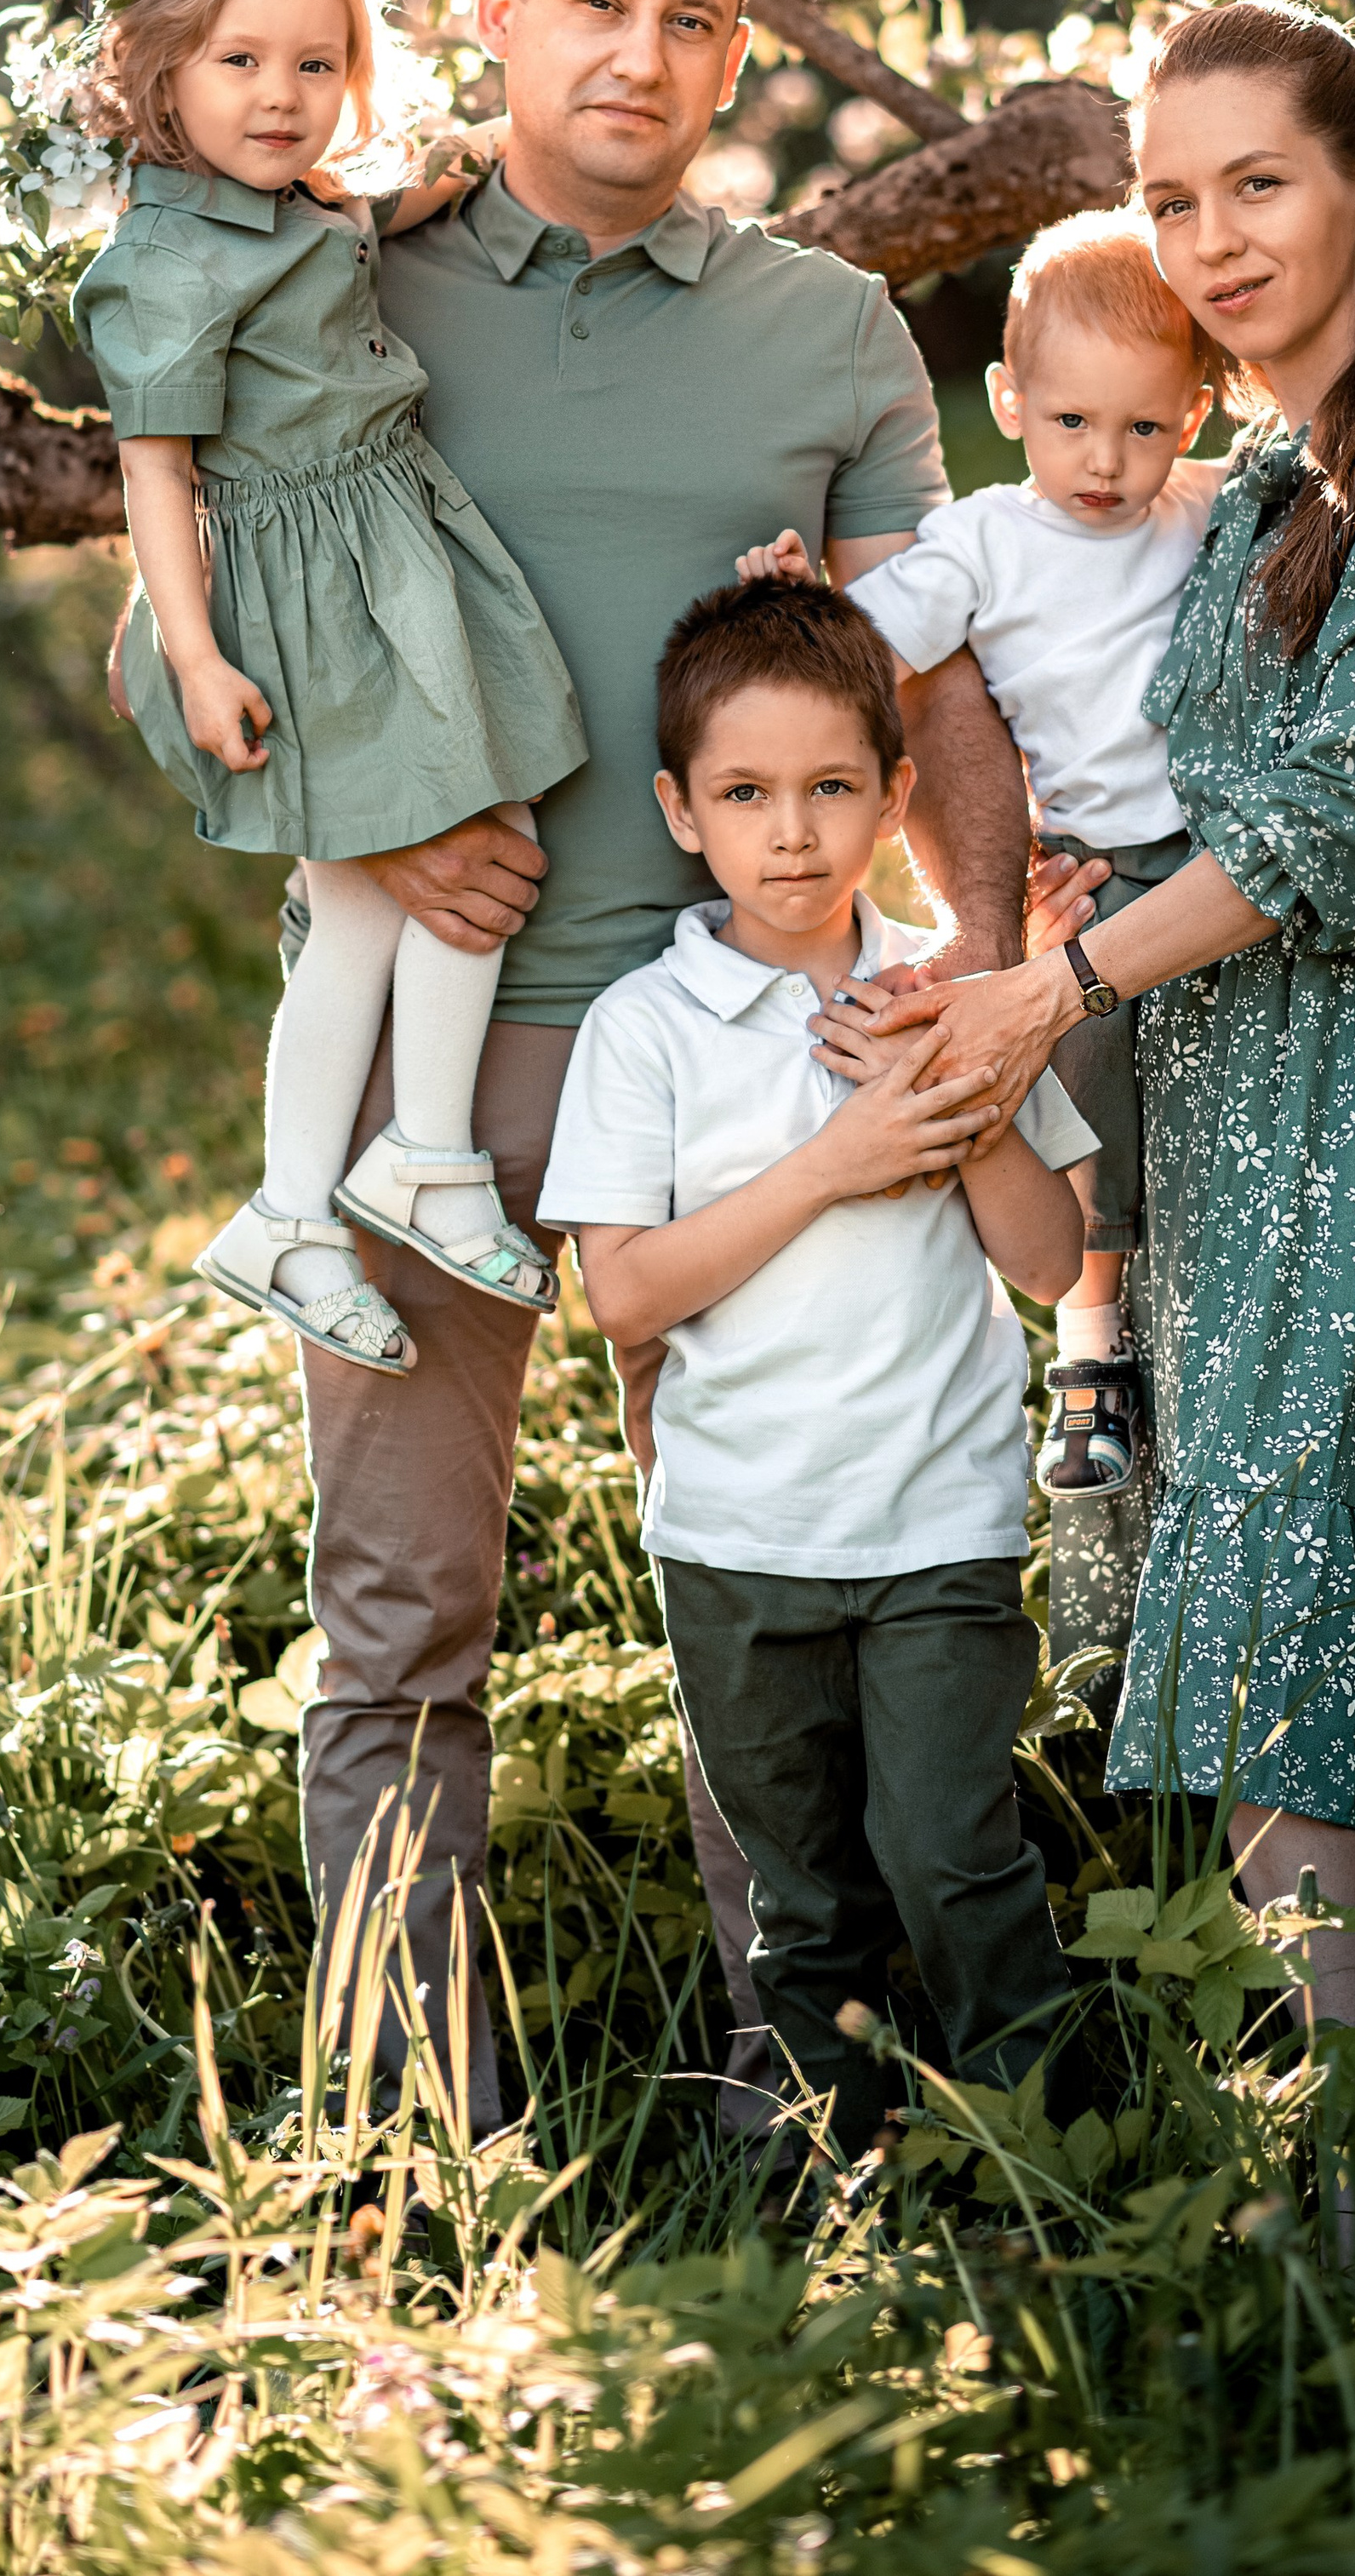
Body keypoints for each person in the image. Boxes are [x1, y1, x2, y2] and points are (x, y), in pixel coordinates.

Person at [263, 0, 1026, 2125]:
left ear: (739, 54)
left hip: (758, 1066)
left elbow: (943, 685)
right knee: (403, 1621)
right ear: (490, 13)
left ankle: (817, 2101)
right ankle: (412, 2149)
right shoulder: (336, 284)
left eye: (698, 19)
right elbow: (181, 645)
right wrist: (370, 814)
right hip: (425, 1060)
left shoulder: (824, 330)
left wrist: (987, 984)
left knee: (790, 1613)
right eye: (598, 1)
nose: (645, 55)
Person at [817, 0, 1355, 2037]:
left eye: (1256, 183)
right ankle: (1354, 2146)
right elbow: (1090, 725)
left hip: (1347, 1094)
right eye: (1170, 197)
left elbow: (1341, 817)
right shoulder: (1240, 487)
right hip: (1194, 1094)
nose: (1212, 238)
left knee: (1294, 1588)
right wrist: (1037, 897)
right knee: (1241, 1596)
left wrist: (1051, 980)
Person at [537, 575, 1094, 2154]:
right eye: (746, 795)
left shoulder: (954, 995)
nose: (792, 833)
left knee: (951, 1856)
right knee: (803, 1899)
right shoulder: (647, 1028)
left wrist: (952, 1085)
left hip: (940, 1524)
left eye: (833, 789)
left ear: (896, 794)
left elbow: (1051, 1266)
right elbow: (624, 1298)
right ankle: (831, 2173)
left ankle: (1035, 2154)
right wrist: (838, 1159)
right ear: (680, 810)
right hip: (738, 1541)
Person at [78, 0, 586, 1381]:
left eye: (315, 63)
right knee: (442, 853)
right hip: (303, 599)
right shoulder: (164, 263)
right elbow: (154, 470)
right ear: (163, 64)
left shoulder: (297, 209)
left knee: (384, 897)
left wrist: (466, 167)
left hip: (377, 556)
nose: (281, 95)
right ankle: (396, 1164)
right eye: (241, 62)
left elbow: (365, 221)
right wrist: (193, 655)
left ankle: (310, 1204)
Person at [742, 209, 1226, 1514]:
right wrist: (802, 596)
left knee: (1208, 1112)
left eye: (1145, 427)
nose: (1106, 461)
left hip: (1219, 858)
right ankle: (1087, 1357)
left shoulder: (1207, 512)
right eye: (1072, 422)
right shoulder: (983, 544)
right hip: (1080, 862)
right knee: (1081, 1088)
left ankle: (1202, 1323)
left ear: (1195, 412)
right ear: (1009, 401)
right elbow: (865, 655)